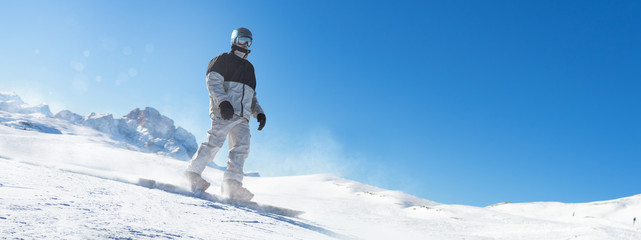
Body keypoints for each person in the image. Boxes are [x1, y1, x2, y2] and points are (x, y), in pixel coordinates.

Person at [184, 27, 266, 201]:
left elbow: (252, 96)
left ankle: (232, 185)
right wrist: (223, 102)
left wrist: (259, 113)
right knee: (214, 142)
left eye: (249, 42)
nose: (246, 44)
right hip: (225, 111)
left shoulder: (250, 68)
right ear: (234, 40)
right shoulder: (223, 60)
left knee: (241, 150)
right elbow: (212, 82)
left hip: (243, 117)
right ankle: (192, 173)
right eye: (243, 40)